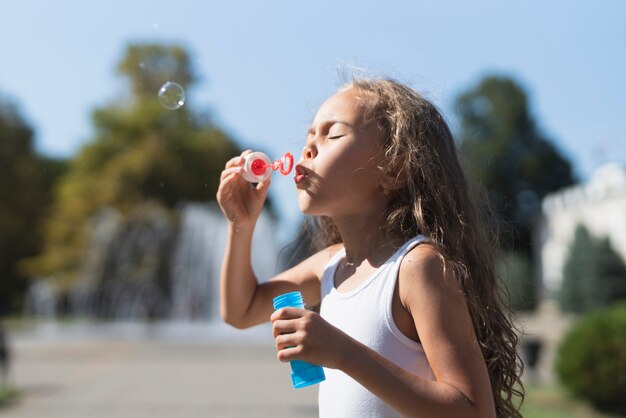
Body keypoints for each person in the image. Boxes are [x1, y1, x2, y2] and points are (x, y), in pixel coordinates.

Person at [217, 77, 524, 418]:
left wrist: (343, 352)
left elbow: (474, 411)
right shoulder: (329, 265)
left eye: (332, 134)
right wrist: (240, 226)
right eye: (308, 137)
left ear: (394, 167)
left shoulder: (416, 266)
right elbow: (240, 311)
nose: (307, 148)